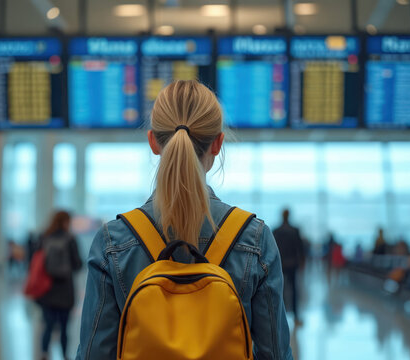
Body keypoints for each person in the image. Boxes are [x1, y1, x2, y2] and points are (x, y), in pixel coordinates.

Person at [76, 80, 292, 359]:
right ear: (218, 143)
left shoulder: (113, 241)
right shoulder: (254, 238)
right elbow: (275, 354)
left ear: (153, 141)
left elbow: (94, 353)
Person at [37, 210, 82, 360]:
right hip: (65, 290)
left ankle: (44, 353)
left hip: (47, 289)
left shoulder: (44, 238)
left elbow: (36, 262)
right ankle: (64, 355)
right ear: (65, 222)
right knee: (64, 327)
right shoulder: (70, 239)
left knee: (48, 325)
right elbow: (77, 264)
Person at [273, 209, 305, 326]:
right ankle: (296, 317)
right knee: (294, 291)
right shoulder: (295, 230)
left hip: (280, 265)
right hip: (292, 264)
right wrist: (302, 262)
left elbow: (273, 249)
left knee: (280, 290)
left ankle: (279, 316)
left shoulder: (276, 231)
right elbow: (300, 248)